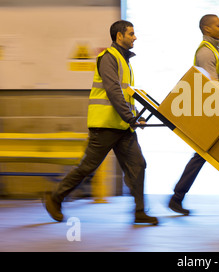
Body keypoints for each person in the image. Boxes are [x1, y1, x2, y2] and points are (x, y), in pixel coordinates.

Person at [44, 20, 158, 225]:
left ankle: (140, 211)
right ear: (119, 36)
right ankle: (55, 198)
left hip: (123, 127)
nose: (135, 37)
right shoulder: (108, 58)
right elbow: (113, 92)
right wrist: (130, 117)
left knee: (138, 165)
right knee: (87, 167)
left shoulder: (125, 60)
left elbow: (126, 94)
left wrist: (134, 115)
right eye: (131, 34)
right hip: (105, 126)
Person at [168, 14, 219, 215]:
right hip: (213, 114)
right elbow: (212, 87)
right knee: (214, 155)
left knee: (212, 155)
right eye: (218, 25)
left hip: (217, 111)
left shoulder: (213, 50)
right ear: (207, 29)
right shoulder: (206, 53)